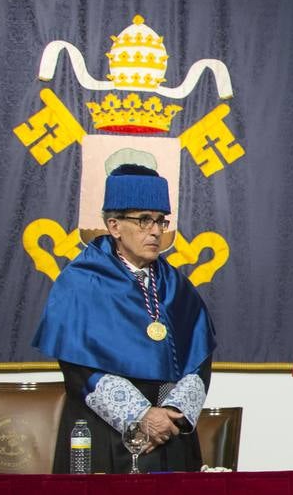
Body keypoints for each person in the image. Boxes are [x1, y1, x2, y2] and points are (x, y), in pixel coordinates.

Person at [33, 163, 216, 473]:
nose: (156, 231)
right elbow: (78, 367)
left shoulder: (177, 286)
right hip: (106, 433)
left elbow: (200, 357)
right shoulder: (81, 282)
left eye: (161, 221)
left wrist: (169, 413)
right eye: (144, 220)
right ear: (115, 226)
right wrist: (141, 415)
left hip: (168, 436)